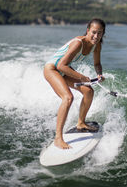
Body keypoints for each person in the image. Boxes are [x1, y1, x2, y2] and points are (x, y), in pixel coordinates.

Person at [44, 18, 105, 149]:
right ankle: (58, 138)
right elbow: (61, 65)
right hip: (52, 69)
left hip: (64, 70)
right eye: (94, 32)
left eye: (100, 33)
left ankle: (81, 123)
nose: (96, 36)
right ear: (88, 30)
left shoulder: (97, 44)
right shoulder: (78, 43)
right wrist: (82, 77)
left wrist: (99, 74)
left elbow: (97, 64)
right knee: (68, 98)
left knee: (89, 91)